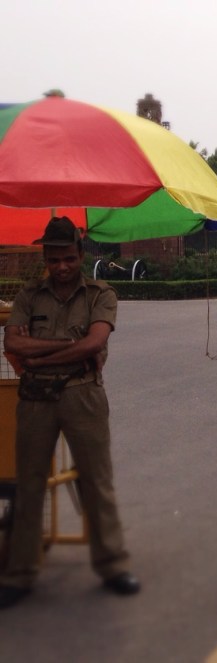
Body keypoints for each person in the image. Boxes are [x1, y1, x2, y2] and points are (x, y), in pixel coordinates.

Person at [0, 217, 140, 610]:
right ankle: (19, 573)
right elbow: (13, 344)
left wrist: (42, 352)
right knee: (29, 486)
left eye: (68, 258)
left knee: (96, 481)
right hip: (35, 399)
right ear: (45, 257)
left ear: (80, 254)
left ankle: (112, 565)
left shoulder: (101, 294)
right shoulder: (29, 295)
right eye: (53, 259)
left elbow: (95, 342)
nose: (61, 266)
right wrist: (69, 346)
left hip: (83, 396)